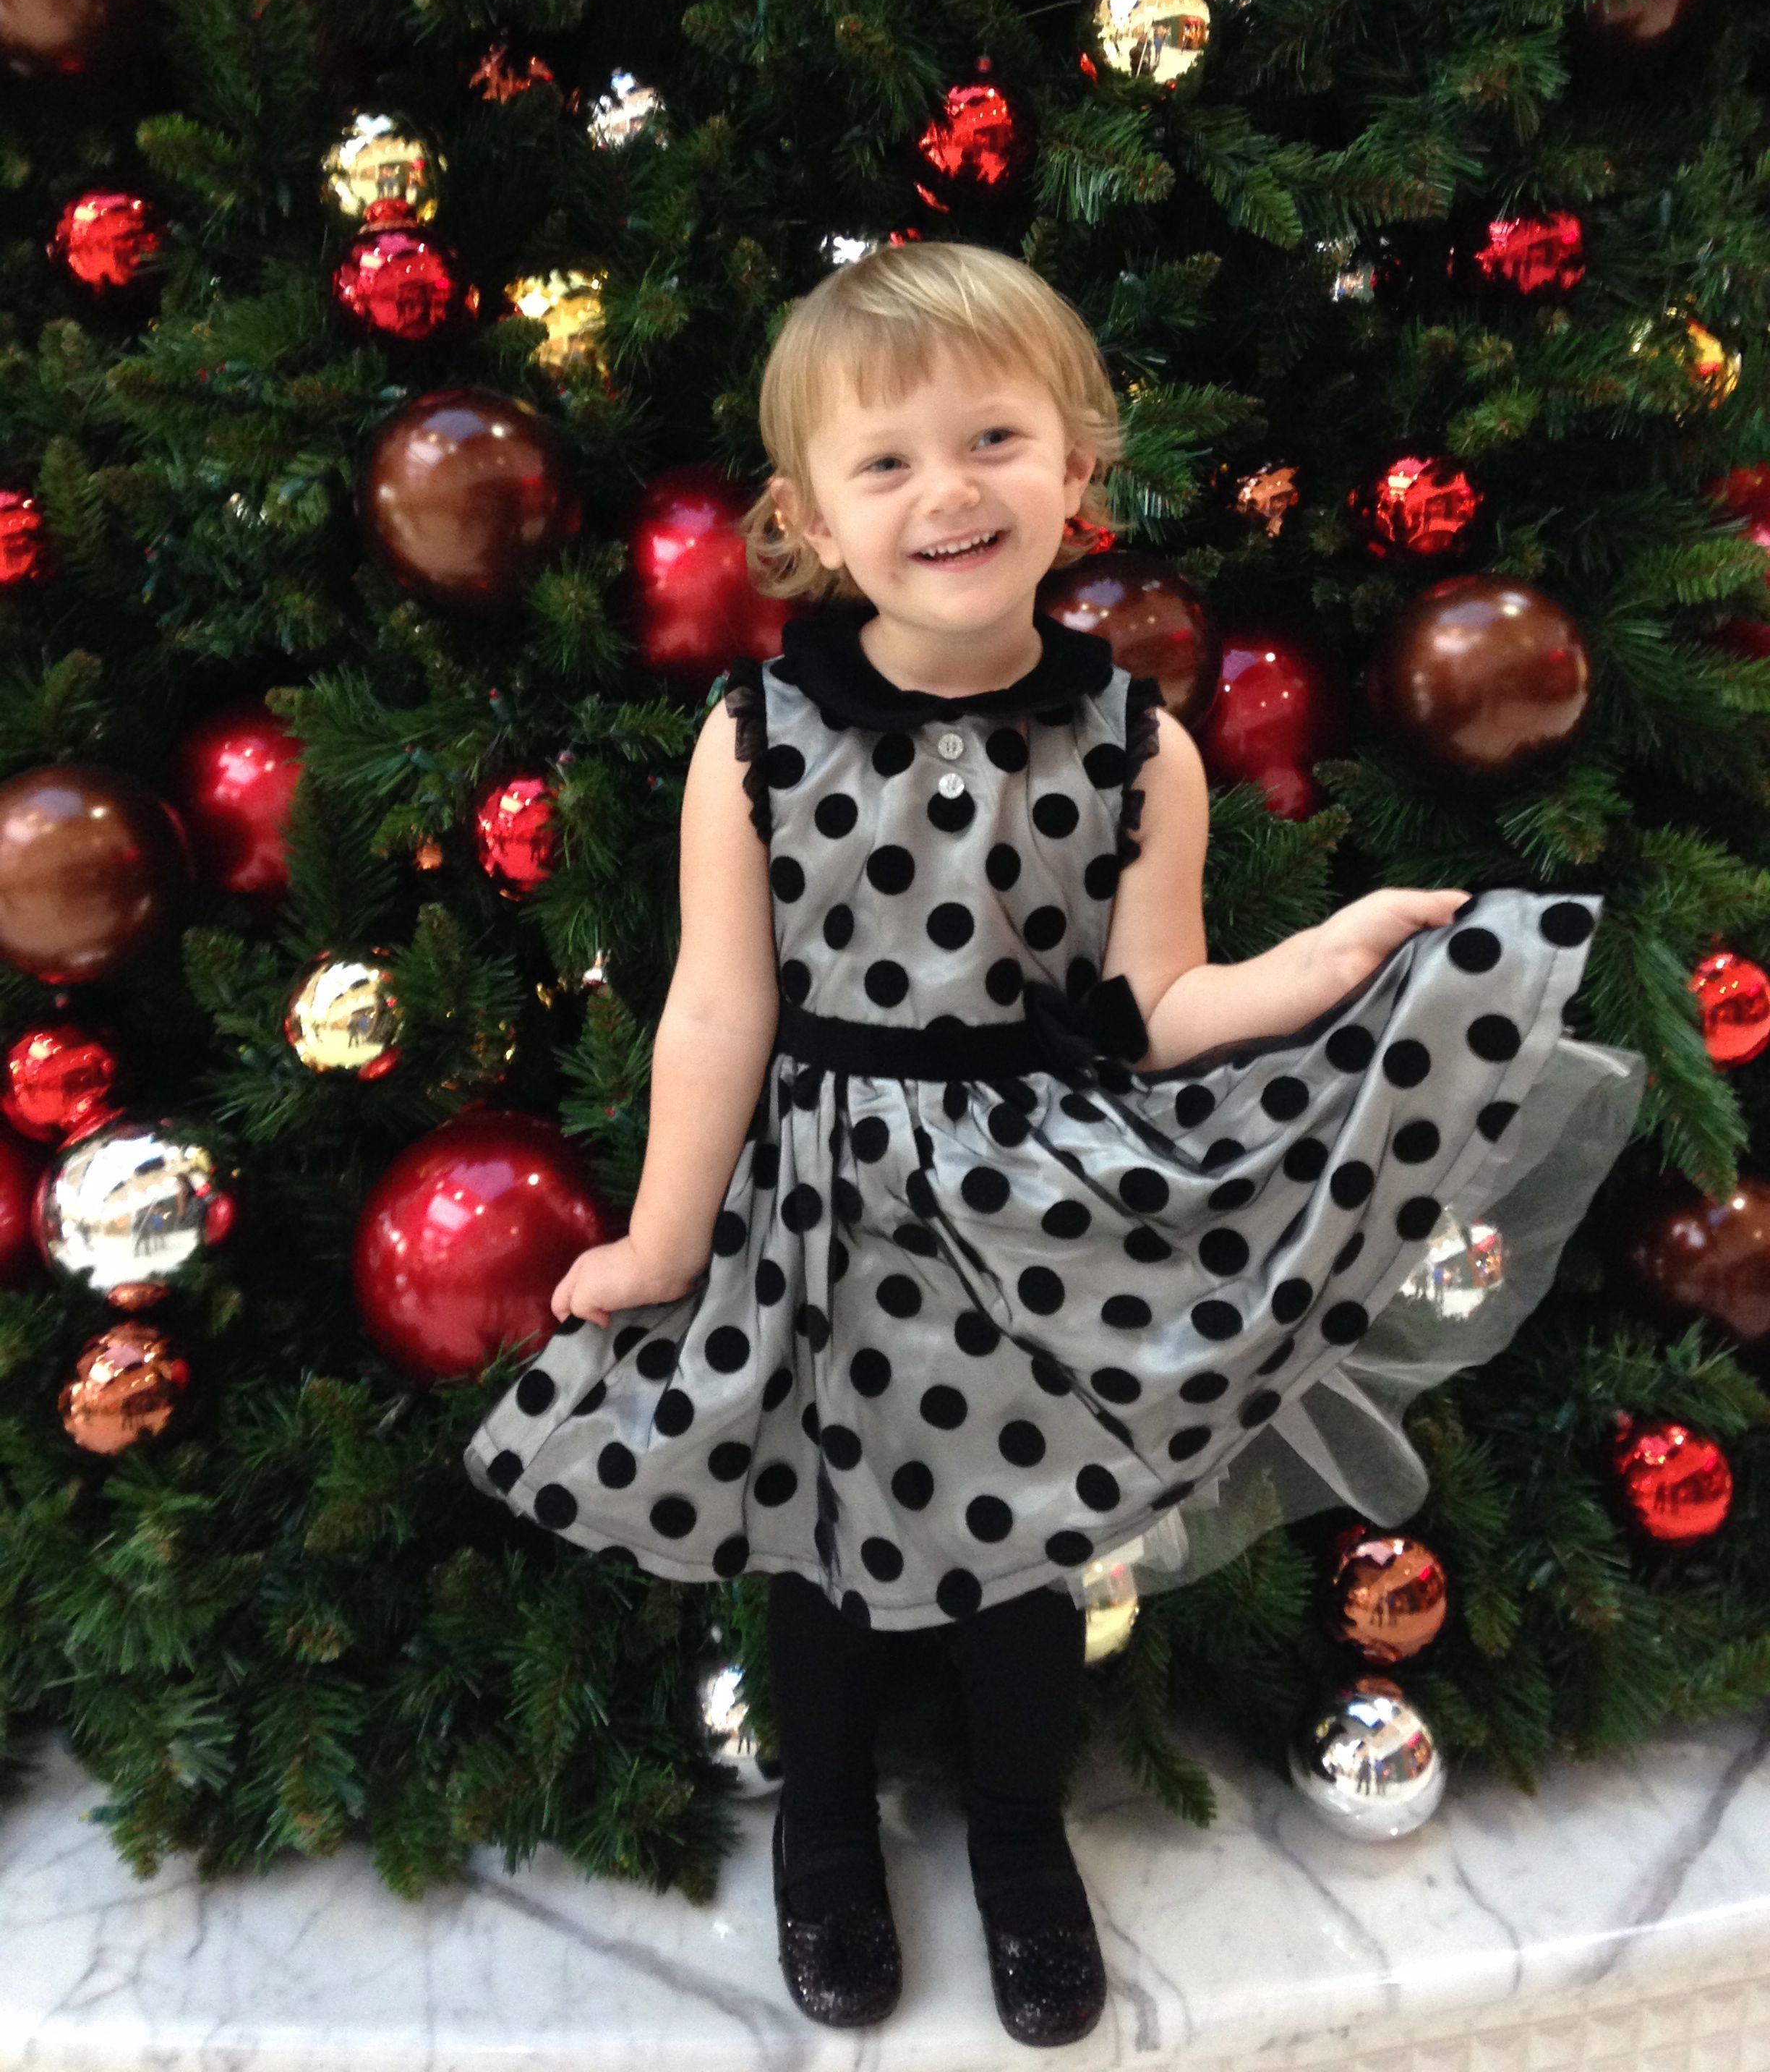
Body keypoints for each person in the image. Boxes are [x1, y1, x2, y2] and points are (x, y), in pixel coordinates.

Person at [463, 241, 1646, 2047]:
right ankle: (824, 1834)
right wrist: (663, 1238)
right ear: (810, 521)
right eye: (886, 462)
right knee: (817, 1549)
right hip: (823, 1211)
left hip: (1041, 1210)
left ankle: (1021, 1837)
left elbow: (1159, 1003)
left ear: (1079, 468)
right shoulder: (758, 740)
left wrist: (1323, 964)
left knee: (1025, 1547)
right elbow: (715, 1011)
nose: (947, 491)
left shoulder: (1133, 748)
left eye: (994, 440)